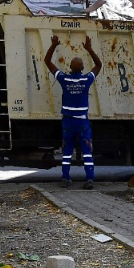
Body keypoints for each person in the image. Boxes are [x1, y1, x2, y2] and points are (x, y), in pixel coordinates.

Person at [45, 35, 102, 189]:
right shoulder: (86, 80)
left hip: (68, 122)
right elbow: (99, 65)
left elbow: (47, 62)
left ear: (70, 67)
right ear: (82, 69)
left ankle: (65, 178)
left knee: (67, 151)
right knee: (87, 151)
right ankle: (89, 179)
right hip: (82, 122)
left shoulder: (64, 79)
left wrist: (53, 45)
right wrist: (89, 49)